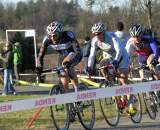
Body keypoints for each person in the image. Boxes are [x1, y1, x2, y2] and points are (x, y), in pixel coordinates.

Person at [36, 21, 82, 92]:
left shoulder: (68, 35)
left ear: (60, 33)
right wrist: (39, 67)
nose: (52, 38)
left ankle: (77, 89)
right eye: (50, 35)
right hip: (62, 56)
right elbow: (40, 56)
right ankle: (67, 96)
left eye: (54, 35)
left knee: (66, 65)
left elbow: (77, 51)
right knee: (63, 79)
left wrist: (70, 63)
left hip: (74, 54)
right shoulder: (47, 40)